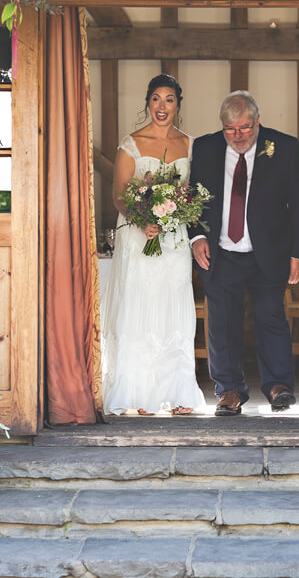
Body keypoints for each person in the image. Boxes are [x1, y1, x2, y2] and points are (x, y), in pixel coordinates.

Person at [189, 91, 299, 416]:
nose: (238, 136)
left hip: (268, 251)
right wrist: (197, 236)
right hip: (220, 251)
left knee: (271, 317)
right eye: (231, 129)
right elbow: (193, 198)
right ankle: (229, 391)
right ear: (222, 126)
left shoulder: (283, 147)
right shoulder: (204, 147)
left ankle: (277, 387)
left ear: (258, 121)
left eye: (245, 128)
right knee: (223, 322)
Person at [101, 74, 206, 416]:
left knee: (173, 307)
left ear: (178, 104)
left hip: (174, 241)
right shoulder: (131, 143)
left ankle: (178, 393)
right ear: (148, 102)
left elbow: (192, 193)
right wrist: (141, 218)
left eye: (169, 100)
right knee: (140, 308)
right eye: (156, 99)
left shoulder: (190, 145)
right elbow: (119, 194)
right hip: (138, 235)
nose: (162, 107)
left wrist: (177, 210)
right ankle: (138, 394)